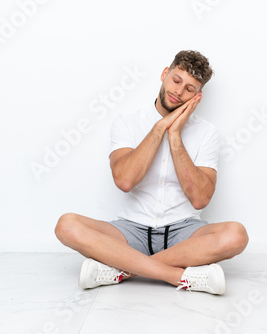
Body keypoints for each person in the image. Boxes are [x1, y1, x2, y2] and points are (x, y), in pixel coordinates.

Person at [55, 50, 249, 295]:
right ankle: (178, 276)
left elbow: (200, 199)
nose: (178, 91)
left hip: (184, 233)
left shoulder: (206, 132)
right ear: (164, 74)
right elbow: (124, 180)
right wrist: (160, 127)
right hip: (130, 230)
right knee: (67, 225)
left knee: (236, 235)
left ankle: (122, 270)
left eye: (189, 89)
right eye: (176, 80)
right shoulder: (127, 122)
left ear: (197, 96)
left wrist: (175, 135)